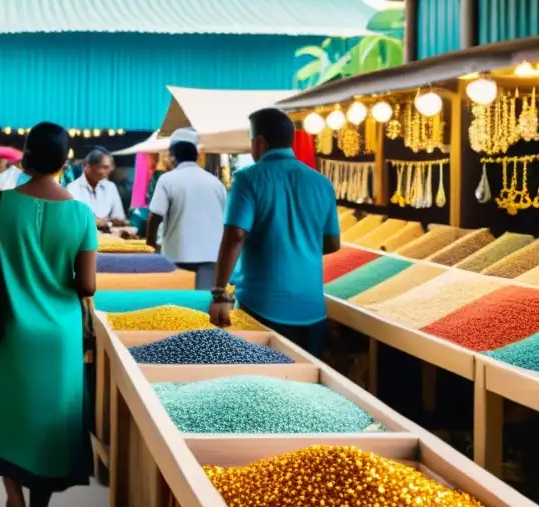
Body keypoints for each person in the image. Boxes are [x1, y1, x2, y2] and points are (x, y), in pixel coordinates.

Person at [0, 122, 97, 507]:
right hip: (58, 336)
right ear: (65, 160)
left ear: (24, 155)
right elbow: (87, 284)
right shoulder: (81, 213)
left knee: (10, 419)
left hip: (8, 330)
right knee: (49, 431)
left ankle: (13, 502)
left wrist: (13, 266)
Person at [208, 108, 340, 357]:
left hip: (262, 307)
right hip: (312, 310)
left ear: (259, 143)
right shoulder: (322, 183)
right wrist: (300, 245)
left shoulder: (248, 179)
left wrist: (218, 293)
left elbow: (235, 236)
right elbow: (332, 242)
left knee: (263, 385)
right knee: (306, 387)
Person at [145, 128, 227, 290]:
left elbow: (155, 216)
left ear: (173, 156)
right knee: (203, 303)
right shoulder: (216, 183)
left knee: (177, 305)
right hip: (210, 256)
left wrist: (150, 245)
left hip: (176, 255)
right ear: (196, 156)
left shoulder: (167, 180)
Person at [67, 148, 126, 228]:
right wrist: (104, 221)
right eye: (104, 167)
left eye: (110, 167)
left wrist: (110, 222)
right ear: (88, 168)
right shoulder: (72, 189)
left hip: (111, 237)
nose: (109, 171)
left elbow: (119, 217)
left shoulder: (110, 187)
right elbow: (75, 220)